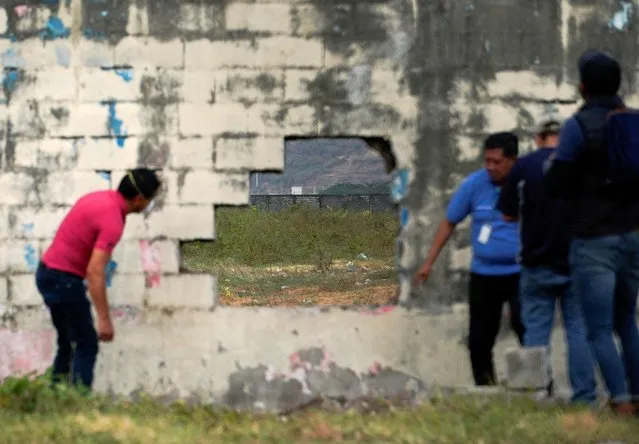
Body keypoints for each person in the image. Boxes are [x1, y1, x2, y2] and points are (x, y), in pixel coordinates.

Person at [544, 49, 639, 416]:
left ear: (582, 86)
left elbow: (557, 179)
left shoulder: (578, 126)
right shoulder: (632, 121)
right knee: (627, 322)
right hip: (632, 235)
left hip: (593, 239)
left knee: (598, 328)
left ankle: (621, 401)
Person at [498, 114, 596, 404]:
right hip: (577, 262)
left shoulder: (524, 166)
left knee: (536, 332)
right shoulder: (582, 164)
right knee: (579, 332)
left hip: (536, 263)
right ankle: (585, 398)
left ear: (538, 137)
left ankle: (534, 395)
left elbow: (506, 213)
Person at [414, 132, 525, 386]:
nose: (490, 167)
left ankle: (536, 390)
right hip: (484, 275)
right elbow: (449, 222)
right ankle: (486, 388)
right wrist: (428, 262)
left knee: (527, 332)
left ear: (513, 161)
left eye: (497, 162)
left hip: (521, 274)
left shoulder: (525, 184)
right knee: (479, 340)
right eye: (487, 161)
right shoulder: (475, 184)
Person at [36, 168, 161, 390]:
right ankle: (78, 403)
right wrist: (104, 319)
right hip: (64, 280)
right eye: (150, 199)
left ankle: (54, 397)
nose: (149, 205)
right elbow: (95, 271)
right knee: (87, 343)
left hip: (46, 274)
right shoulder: (113, 221)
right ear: (139, 199)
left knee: (67, 342)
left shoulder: (99, 198)